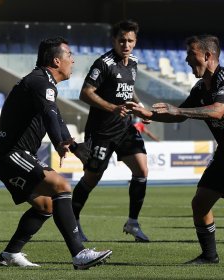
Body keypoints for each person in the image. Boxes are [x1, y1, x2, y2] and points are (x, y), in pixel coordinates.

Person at [126, 35, 224, 267]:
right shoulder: (199, 87)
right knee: (200, 203)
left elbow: (217, 111)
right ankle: (209, 256)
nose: (186, 59)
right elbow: (180, 113)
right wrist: (149, 114)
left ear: (207, 56)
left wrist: (176, 111)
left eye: (190, 54)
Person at [0, 37, 112, 270]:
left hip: (14, 153)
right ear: (56, 60)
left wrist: (75, 148)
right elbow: (49, 115)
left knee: (46, 206)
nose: (73, 60)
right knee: (61, 186)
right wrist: (58, 143)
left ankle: (11, 253)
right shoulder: (40, 82)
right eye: (69, 55)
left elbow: (55, 117)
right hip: (10, 153)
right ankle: (79, 254)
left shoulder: (43, 84)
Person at [71, 20, 150, 242]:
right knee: (92, 178)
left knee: (142, 170)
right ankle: (73, 221)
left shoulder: (133, 62)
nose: (126, 44)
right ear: (114, 41)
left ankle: (133, 223)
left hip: (125, 128)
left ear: (135, 42)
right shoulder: (103, 64)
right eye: (122, 40)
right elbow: (86, 93)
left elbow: (129, 89)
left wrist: (140, 107)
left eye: (130, 41)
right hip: (102, 132)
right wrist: (113, 108)